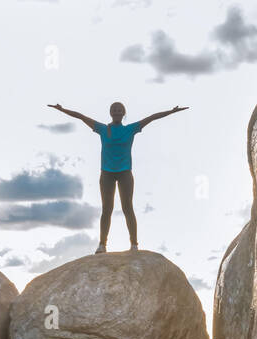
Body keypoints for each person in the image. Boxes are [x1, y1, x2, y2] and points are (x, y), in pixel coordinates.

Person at [47, 100, 188, 253]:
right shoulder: (102, 128)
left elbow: (152, 117)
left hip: (125, 173)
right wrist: (62, 110)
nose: (117, 111)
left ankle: (134, 245)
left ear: (124, 113)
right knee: (107, 209)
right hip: (106, 173)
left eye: (120, 109)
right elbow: (81, 117)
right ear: (110, 112)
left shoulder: (131, 129)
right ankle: (102, 245)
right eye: (114, 109)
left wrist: (171, 112)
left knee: (128, 208)